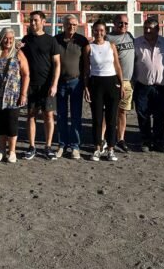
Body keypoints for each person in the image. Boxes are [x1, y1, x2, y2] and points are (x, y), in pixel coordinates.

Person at [21, 10, 61, 160]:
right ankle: (32, 147)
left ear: (43, 22)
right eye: (31, 20)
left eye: (36, 20)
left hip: (47, 85)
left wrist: (54, 84)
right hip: (31, 85)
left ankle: (48, 147)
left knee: (48, 115)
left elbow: (57, 64)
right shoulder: (26, 39)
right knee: (31, 115)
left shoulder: (51, 41)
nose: (32, 23)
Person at [84, 21, 123, 161]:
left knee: (112, 118)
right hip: (96, 83)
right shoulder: (89, 47)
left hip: (111, 82)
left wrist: (121, 84)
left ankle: (111, 149)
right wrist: (86, 87)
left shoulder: (111, 46)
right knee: (97, 119)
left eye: (101, 30)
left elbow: (117, 66)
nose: (99, 33)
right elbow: (86, 70)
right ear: (93, 31)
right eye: (96, 30)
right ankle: (97, 148)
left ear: (105, 31)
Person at [0, 28, 30, 163]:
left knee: (12, 124)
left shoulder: (18, 54)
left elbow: (26, 74)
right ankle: (1, 150)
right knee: (0, 125)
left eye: (11, 39)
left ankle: (12, 151)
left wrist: (23, 94)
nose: (8, 41)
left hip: (13, 95)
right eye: (6, 38)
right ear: (1, 38)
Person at [132, 17, 164, 152]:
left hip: (162, 87)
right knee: (143, 114)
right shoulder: (136, 43)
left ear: (157, 29)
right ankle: (146, 140)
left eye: (151, 28)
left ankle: (158, 141)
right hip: (142, 85)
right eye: (145, 28)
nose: (147, 30)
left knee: (160, 116)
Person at [55, 14, 88, 159]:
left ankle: (75, 146)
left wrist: (86, 83)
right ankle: (62, 144)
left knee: (76, 116)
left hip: (76, 82)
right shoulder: (56, 40)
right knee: (61, 115)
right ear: (63, 24)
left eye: (75, 24)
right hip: (60, 82)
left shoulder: (82, 40)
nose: (72, 27)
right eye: (69, 24)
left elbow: (86, 64)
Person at [107, 13, 135, 152]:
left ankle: (121, 138)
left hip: (128, 81)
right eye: (120, 23)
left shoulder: (130, 36)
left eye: (125, 23)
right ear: (114, 23)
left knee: (122, 112)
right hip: (113, 80)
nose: (123, 25)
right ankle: (105, 138)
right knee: (109, 111)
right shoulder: (108, 38)